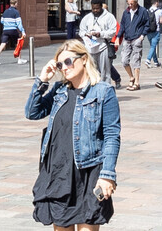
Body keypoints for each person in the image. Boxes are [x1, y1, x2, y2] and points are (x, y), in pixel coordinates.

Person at [26, 40, 121, 230]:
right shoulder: (59, 90)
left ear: (84, 59)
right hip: (59, 172)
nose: (64, 68)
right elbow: (32, 112)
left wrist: (107, 175)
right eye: (60, 65)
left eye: (68, 62)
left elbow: (112, 136)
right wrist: (43, 80)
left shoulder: (103, 92)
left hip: (89, 172)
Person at [79, 0, 120, 87]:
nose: (95, 10)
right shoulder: (87, 18)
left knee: (105, 72)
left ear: (101, 7)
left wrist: (100, 34)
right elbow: (81, 31)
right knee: (92, 72)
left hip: (103, 47)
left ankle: (105, 91)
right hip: (90, 48)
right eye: (93, 8)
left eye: (97, 8)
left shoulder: (109, 17)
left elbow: (113, 31)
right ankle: (94, 91)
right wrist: (86, 34)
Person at [117, 0, 149, 90]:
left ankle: (137, 83)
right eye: (129, 3)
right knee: (124, 60)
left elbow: (147, 24)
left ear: (136, 2)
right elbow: (122, 25)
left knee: (136, 60)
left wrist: (142, 35)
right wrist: (118, 36)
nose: (130, 5)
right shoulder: (126, 12)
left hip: (137, 38)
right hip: (127, 38)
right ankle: (131, 77)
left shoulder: (142, 11)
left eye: (132, 3)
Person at [0, 0, 27, 66]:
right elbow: (19, 23)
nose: (17, 4)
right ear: (15, 4)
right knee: (18, 44)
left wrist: (7, 24)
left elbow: (2, 21)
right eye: (17, 3)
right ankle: (19, 59)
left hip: (5, 30)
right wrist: (23, 31)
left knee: (2, 44)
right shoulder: (16, 12)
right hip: (13, 30)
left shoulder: (5, 11)